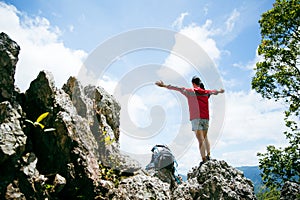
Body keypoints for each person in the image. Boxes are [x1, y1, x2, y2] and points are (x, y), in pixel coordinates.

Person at [155, 76, 224, 166]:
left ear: (193, 83)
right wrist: (220, 91)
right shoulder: (206, 93)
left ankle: (204, 160)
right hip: (205, 118)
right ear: (200, 83)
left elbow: (177, 88)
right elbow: (214, 92)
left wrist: (164, 85)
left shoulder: (189, 91)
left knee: (200, 140)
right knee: (205, 137)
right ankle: (209, 155)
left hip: (196, 118)